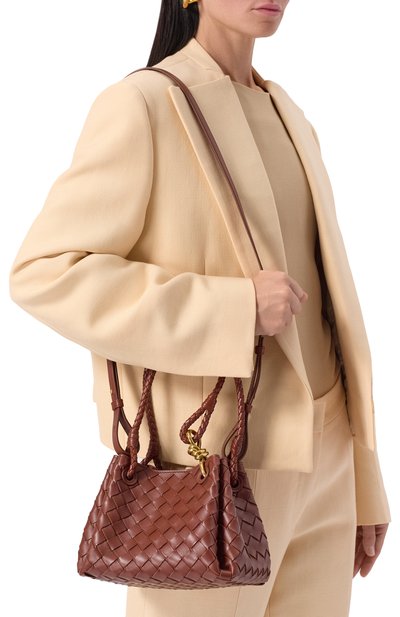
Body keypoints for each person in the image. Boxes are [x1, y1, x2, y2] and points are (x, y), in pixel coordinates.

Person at [9, 1, 390, 616]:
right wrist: (232, 310)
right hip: (214, 472)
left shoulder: (288, 113)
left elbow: (332, 310)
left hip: (328, 461)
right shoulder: (145, 104)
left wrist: (364, 480)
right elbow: (47, 272)